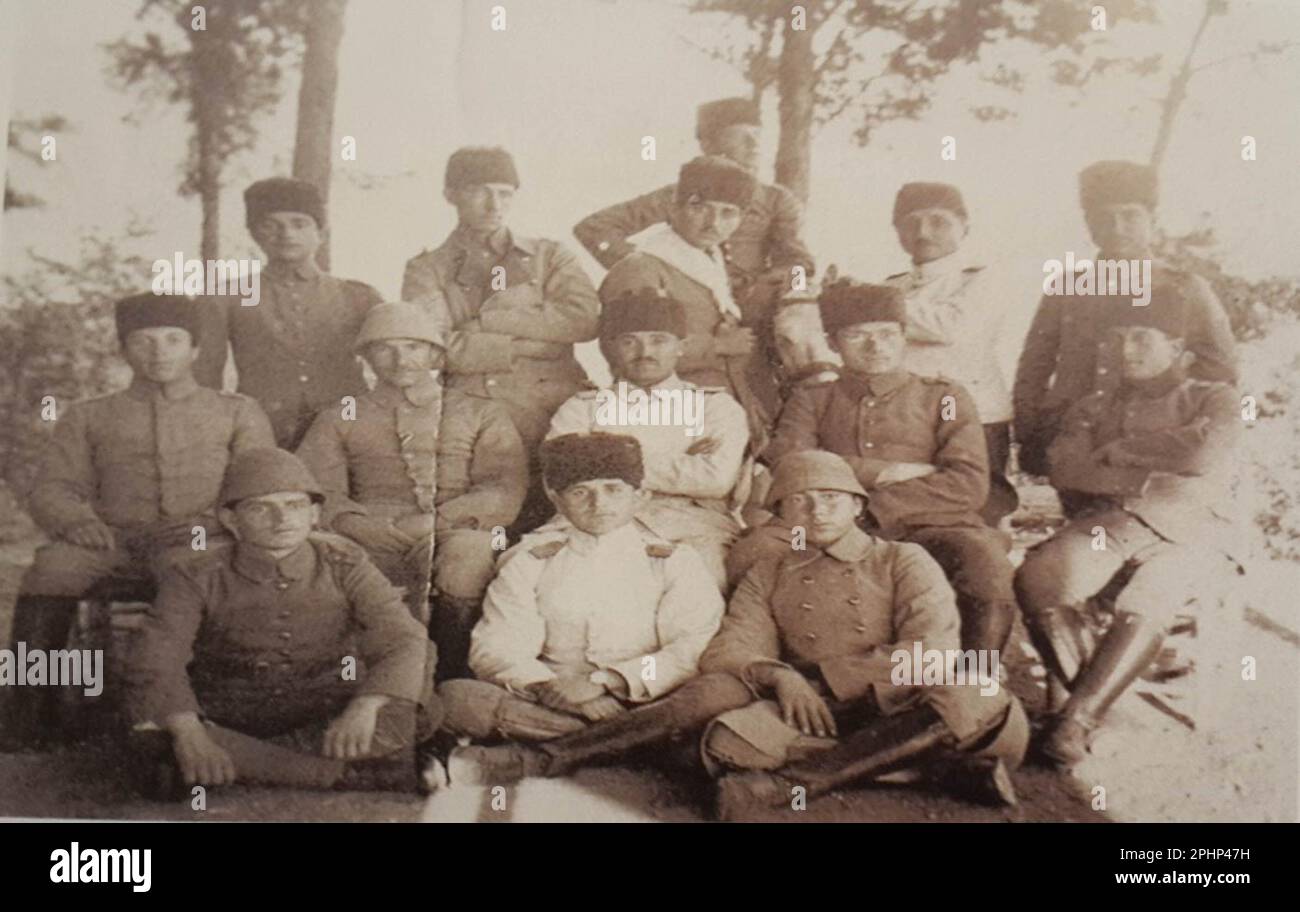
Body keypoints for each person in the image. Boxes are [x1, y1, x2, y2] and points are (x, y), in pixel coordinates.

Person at [1, 293, 274, 749]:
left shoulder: (235, 410)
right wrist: (76, 521)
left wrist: (214, 521)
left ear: (195, 349)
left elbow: (259, 483)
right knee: (51, 570)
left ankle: (195, 704)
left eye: (173, 339)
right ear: (124, 349)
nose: (158, 351)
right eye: (143, 341)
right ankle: (29, 710)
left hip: (195, 537)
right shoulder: (90, 414)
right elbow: (51, 487)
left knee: (194, 571)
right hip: (110, 540)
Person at [696, 451, 1028, 821]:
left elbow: (931, 652)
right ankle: (934, 769)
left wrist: (827, 680)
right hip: (819, 713)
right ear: (783, 515)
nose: (817, 511)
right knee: (726, 741)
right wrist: (780, 675)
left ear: (857, 505)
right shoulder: (768, 572)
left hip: (911, 704)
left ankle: (793, 784)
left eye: (830, 498)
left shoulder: (902, 558)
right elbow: (730, 648)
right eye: (798, 501)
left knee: (976, 692)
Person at [437, 432, 751, 784]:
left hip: (646, 700)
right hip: (553, 701)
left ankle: (537, 757)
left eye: (613, 489)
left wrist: (607, 681)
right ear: (557, 500)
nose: (599, 503)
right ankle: (631, 749)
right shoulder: (533, 561)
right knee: (456, 697)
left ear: (640, 496)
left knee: (715, 694)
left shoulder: (673, 560)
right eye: (580, 491)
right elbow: (497, 646)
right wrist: (551, 689)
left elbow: (690, 647)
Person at [124, 448, 440, 795]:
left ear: (315, 513)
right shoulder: (195, 574)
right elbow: (156, 657)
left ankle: (243, 762)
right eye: (261, 508)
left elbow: (405, 639)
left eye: (295, 505)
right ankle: (345, 774)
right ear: (231, 520)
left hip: (324, 707)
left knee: (416, 709)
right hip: (232, 711)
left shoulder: (345, 563)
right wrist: (189, 732)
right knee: (159, 729)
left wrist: (365, 707)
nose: (282, 519)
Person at [1014, 301, 1241, 766]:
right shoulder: (1094, 404)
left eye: (1142, 338)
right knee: (1037, 576)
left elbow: (1205, 456)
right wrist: (1151, 473)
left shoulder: (1215, 398)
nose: (1126, 349)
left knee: (1149, 598)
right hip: (1111, 524)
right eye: (1117, 338)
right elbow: (1066, 468)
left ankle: (1074, 720)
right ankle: (1088, 715)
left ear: (1176, 347)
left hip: (1194, 531)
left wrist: (1117, 450)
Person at [757, 281, 1018, 652]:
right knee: (761, 556)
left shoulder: (943, 397)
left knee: (985, 565)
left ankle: (976, 683)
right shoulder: (813, 398)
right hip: (829, 526)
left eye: (886, 334)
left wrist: (873, 508)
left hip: (936, 525)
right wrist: (882, 472)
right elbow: (792, 462)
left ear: (903, 338)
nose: (875, 345)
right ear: (833, 343)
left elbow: (968, 484)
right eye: (857, 335)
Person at [296, 302, 527, 678]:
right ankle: (358, 680)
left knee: (469, 558)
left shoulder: (479, 411)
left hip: (457, 528)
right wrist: (359, 525)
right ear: (366, 356)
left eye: (413, 347)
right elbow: (315, 490)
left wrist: (438, 520)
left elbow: (502, 487)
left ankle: (450, 675)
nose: (400, 359)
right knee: (328, 563)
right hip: (368, 530)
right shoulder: (343, 413)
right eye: (384, 348)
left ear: (435, 354)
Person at [574, 96, 815, 419]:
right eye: (741, 135)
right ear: (709, 142)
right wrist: (654, 268)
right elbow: (596, 229)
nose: (753, 144)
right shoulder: (682, 194)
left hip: (754, 320)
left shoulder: (775, 200)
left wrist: (789, 292)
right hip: (679, 318)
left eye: (757, 136)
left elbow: (798, 262)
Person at [400, 146, 600, 532]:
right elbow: (432, 347)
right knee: (485, 524)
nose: (494, 204)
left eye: (505, 193)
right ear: (450, 195)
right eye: (480, 191)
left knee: (561, 516)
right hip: (473, 411)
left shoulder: (549, 255)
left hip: (552, 407)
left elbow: (583, 320)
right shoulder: (427, 269)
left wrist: (490, 320)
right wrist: (527, 344)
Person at [1013, 160, 1237, 485]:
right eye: (1103, 218)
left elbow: (1219, 370)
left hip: (1151, 442)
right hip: (1075, 440)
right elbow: (1034, 365)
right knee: (1084, 526)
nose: (1116, 228)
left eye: (1130, 215)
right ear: (1089, 224)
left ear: (1153, 220)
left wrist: (1175, 423)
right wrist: (1031, 429)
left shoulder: (1185, 287)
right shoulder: (1068, 286)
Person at [545, 287, 749, 585]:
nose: (645, 353)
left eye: (659, 340)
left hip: (689, 523)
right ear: (613, 347)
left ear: (681, 346)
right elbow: (558, 475)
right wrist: (681, 465)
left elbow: (716, 480)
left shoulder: (714, 406)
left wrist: (601, 460)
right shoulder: (583, 407)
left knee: (700, 583)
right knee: (533, 572)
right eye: (630, 341)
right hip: (590, 518)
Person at [194, 177, 382, 448]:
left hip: (350, 433)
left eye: (299, 223)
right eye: (271, 225)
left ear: (321, 232)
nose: (287, 235)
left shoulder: (359, 296)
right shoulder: (225, 298)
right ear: (254, 233)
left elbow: (393, 368)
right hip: (261, 434)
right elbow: (205, 383)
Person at [598, 155, 771, 443]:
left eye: (728, 212)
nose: (713, 223)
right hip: (662, 417)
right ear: (674, 207)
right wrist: (715, 346)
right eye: (699, 207)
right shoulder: (642, 267)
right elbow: (619, 351)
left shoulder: (710, 263)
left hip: (718, 410)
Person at [884, 181, 1018, 525]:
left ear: (965, 227)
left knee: (979, 513)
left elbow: (951, 327)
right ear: (896, 231)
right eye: (910, 223)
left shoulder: (984, 278)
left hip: (976, 416)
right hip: (909, 418)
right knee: (914, 509)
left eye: (938, 222)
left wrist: (875, 305)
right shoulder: (893, 285)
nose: (923, 233)